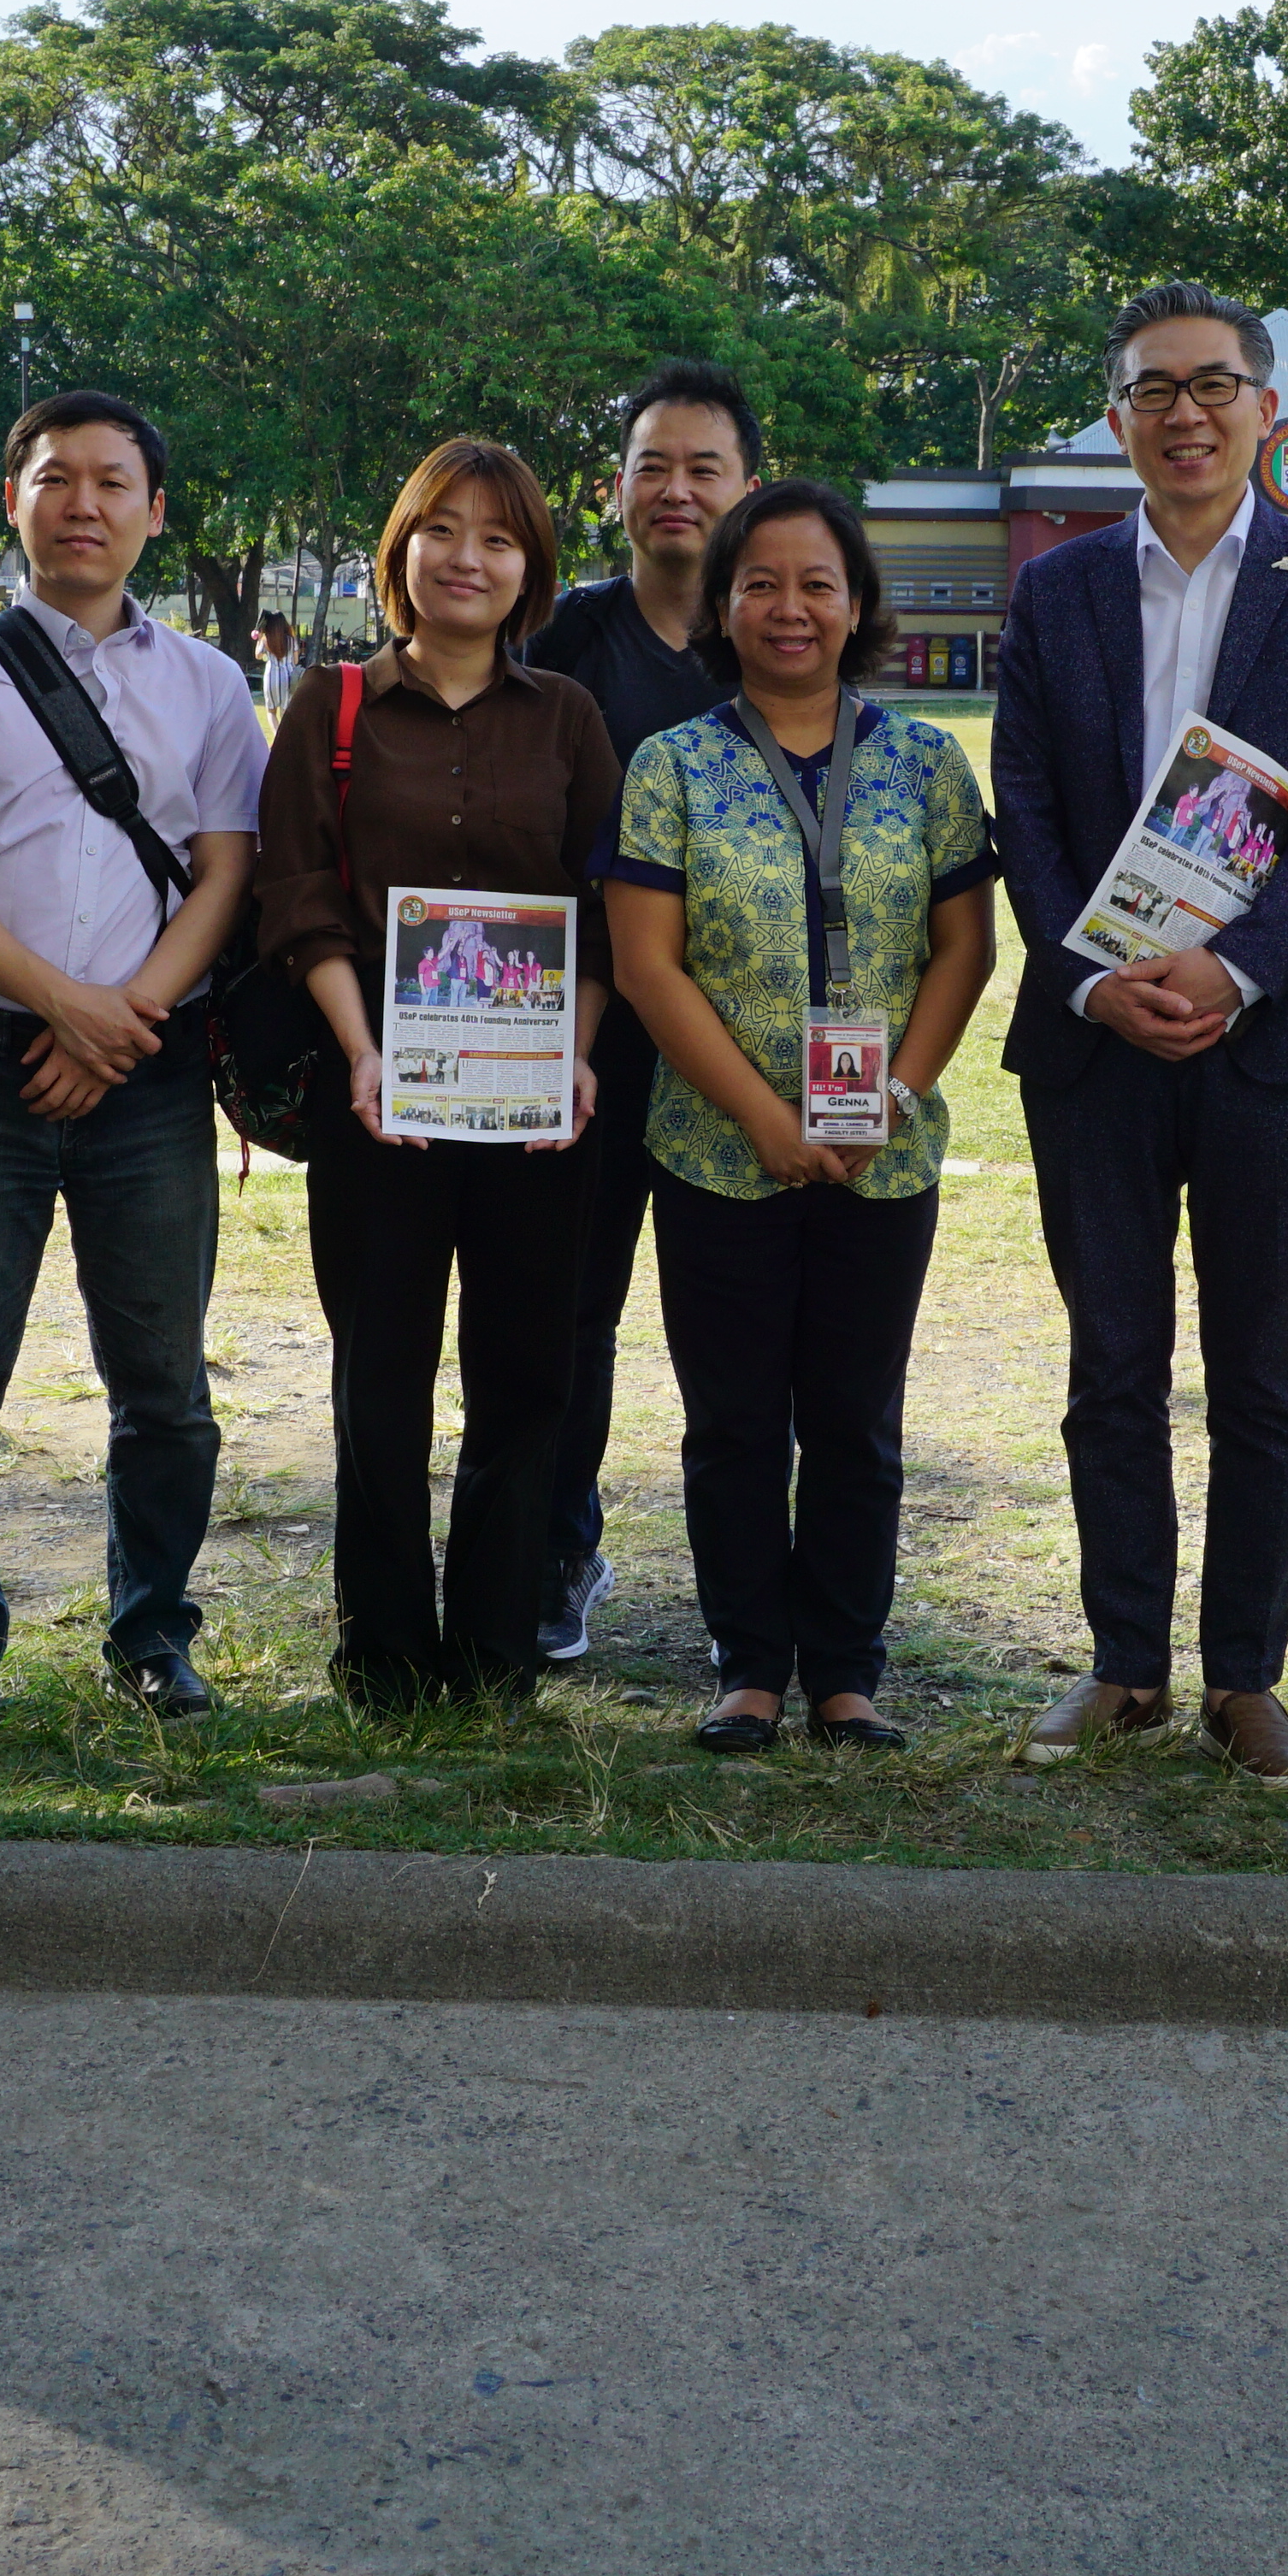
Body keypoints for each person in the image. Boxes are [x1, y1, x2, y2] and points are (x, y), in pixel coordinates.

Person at [993, 283, 1288, 1793]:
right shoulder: (1059, 591)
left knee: (1261, 1370)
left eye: (1216, 385)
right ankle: (1125, 1663)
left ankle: (1247, 1676)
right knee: (1112, 1360)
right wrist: (1097, 979)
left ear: (1265, 410)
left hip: (1267, 1036)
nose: (1187, 412)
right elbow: (1021, 807)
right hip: (1095, 1039)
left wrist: (1236, 972)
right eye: (1155, 390)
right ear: (1118, 420)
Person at [0, 387, 265, 1736]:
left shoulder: (210, 682)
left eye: (111, 482)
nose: (81, 503)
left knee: (167, 1387)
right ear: (13, 501)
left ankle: (152, 1633)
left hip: (145, 1073)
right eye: (54, 479)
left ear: (155, 512)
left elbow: (224, 874)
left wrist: (125, 1018)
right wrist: (64, 1008)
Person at [601, 479, 996, 1752]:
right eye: (760, 582)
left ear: (857, 604)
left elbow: (965, 950)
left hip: (883, 1156)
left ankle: (845, 1670)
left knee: (854, 1422)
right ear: (723, 605)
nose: (789, 607)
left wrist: (896, 1095)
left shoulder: (931, 762)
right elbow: (649, 965)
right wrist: (766, 1120)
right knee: (730, 1424)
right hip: (718, 1153)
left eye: (816, 583)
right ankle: (747, 1668)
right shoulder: (671, 765)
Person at [253, 438, 618, 1705]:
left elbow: (602, 910)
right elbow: (300, 895)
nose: (469, 557)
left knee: (526, 1379)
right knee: (382, 1379)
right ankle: (387, 1652)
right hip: (376, 1106)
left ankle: (498, 1649)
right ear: (402, 548)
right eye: (444, 530)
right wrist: (360, 1051)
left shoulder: (568, 717)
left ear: (532, 571)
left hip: (531, 1117)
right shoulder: (332, 704)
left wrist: (571, 1063)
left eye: (500, 538)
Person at [523, 360, 765, 1661]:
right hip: (590, 1049)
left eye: (704, 467)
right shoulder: (560, 639)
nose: (676, 490)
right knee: (573, 1311)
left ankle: (761, 1598)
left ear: (747, 489)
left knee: (742, 1333)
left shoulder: (782, 637)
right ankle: (560, 1551)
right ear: (616, 490)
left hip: (750, 1054)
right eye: (652, 467)